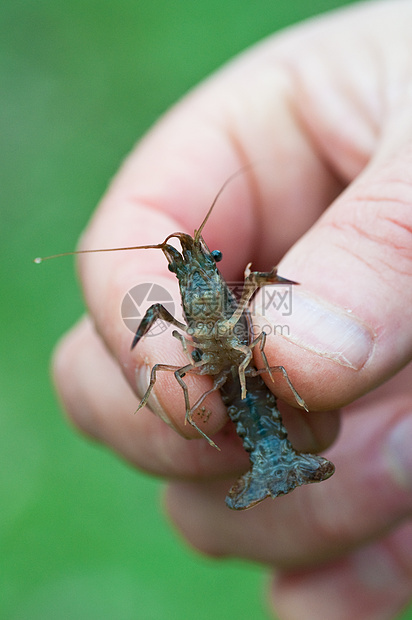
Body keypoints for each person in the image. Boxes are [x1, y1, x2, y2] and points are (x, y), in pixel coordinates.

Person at [52, 1, 412, 617]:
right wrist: (156, 370)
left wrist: (330, 296)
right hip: (232, 383)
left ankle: (274, 455)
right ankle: (261, 453)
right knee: (163, 381)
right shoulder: (182, 311)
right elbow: (166, 345)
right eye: (182, 267)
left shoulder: (233, 290)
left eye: (203, 258)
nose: (193, 264)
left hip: (250, 374)